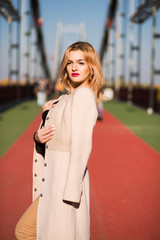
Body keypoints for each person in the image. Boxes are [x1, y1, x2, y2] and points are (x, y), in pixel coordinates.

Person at [15, 41, 103, 240]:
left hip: (63, 185)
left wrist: (70, 193)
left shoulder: (83, 96)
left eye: (81, 62)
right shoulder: (64, 98)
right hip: (53, 180)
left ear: (91, 67)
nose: (74, 67)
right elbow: (52, 136)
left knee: (25, 231)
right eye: (70, 62)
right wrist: (38, 134)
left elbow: (81, 146)